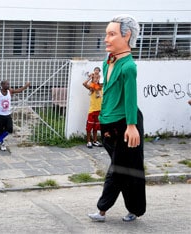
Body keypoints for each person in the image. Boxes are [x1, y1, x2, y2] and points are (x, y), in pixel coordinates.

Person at [88, 14, 145, 222]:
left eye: (111, 34)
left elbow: (131, 98)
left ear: (126, 35)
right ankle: (136, 210)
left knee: (120, 169)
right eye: (106, 34)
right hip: (108, 122)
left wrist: (131, 125)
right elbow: (109, 93)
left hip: (126, 124)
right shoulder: (107, 62)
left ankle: (102, 210)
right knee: (126, 170)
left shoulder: (129, 67)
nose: (106, 39)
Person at [0, 80, 30, 151]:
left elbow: (19, 90)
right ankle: (1, 143)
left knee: (9, 129)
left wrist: (26, 86)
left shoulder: (10, 91)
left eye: (8, 84)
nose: (8, 85)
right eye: (6, 84)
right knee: (0, 131)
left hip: (7, 114)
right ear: (2, 85)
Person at [82, 67, 103, 148]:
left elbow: (101, 82)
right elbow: (84, 83)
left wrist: (98, 78)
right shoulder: (92, 88)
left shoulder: (100, 89)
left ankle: (94, 141)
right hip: (92, 110)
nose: (97, 80)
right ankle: (88, 141)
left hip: (99, 110)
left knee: (96, 127)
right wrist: (90, 78)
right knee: (89, 127)